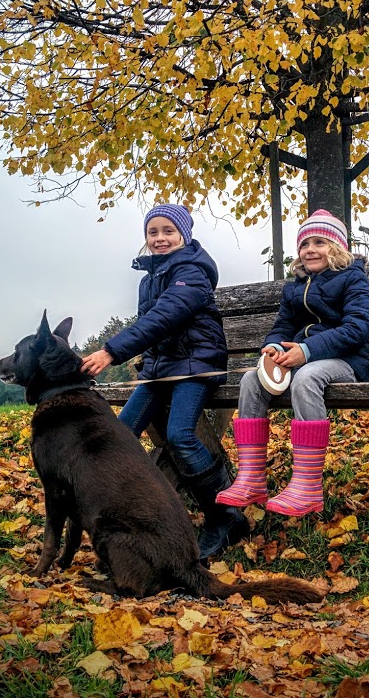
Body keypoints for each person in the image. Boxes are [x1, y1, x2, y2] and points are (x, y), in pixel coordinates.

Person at [81, 204, 248, 561]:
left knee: (179, 435)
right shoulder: (149, 278)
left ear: (184, 235)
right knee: (120, 434)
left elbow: (166, 316)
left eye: (168, 231)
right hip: (161, 371)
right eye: (153, 232)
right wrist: (145, 366)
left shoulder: (192, 270)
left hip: (196, 366)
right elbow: (154, 332)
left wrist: (112, 351)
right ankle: (141, 513)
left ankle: (225, 516)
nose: (160, 238)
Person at [216, 209, 369, 517]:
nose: (310, 249)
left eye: (320, 242)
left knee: (307, 377)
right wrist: (273, 347)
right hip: (304, 361)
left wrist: (307, 350)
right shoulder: (294, 286)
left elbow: (358, 327)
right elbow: (281, 326)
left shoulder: (352, 278)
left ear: (338, 248)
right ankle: (251, 478)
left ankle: (307, 485)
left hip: (346, 362)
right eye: (305, 244)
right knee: (251, 380)